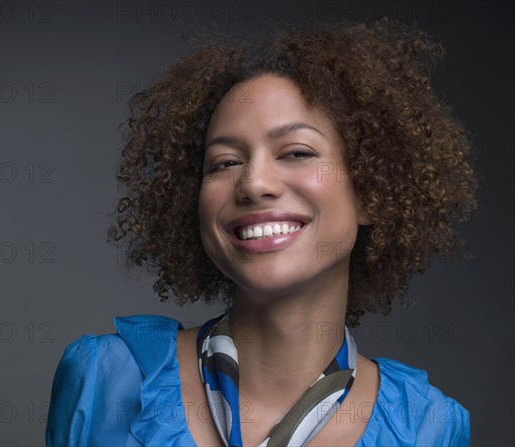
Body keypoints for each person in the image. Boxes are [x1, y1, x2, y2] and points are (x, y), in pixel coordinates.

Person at [46, 17, 476, 446]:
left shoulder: (426, 426)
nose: (253, 183)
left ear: (370, 192)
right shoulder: (105, 378)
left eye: (296, 152)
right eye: (225, 162)